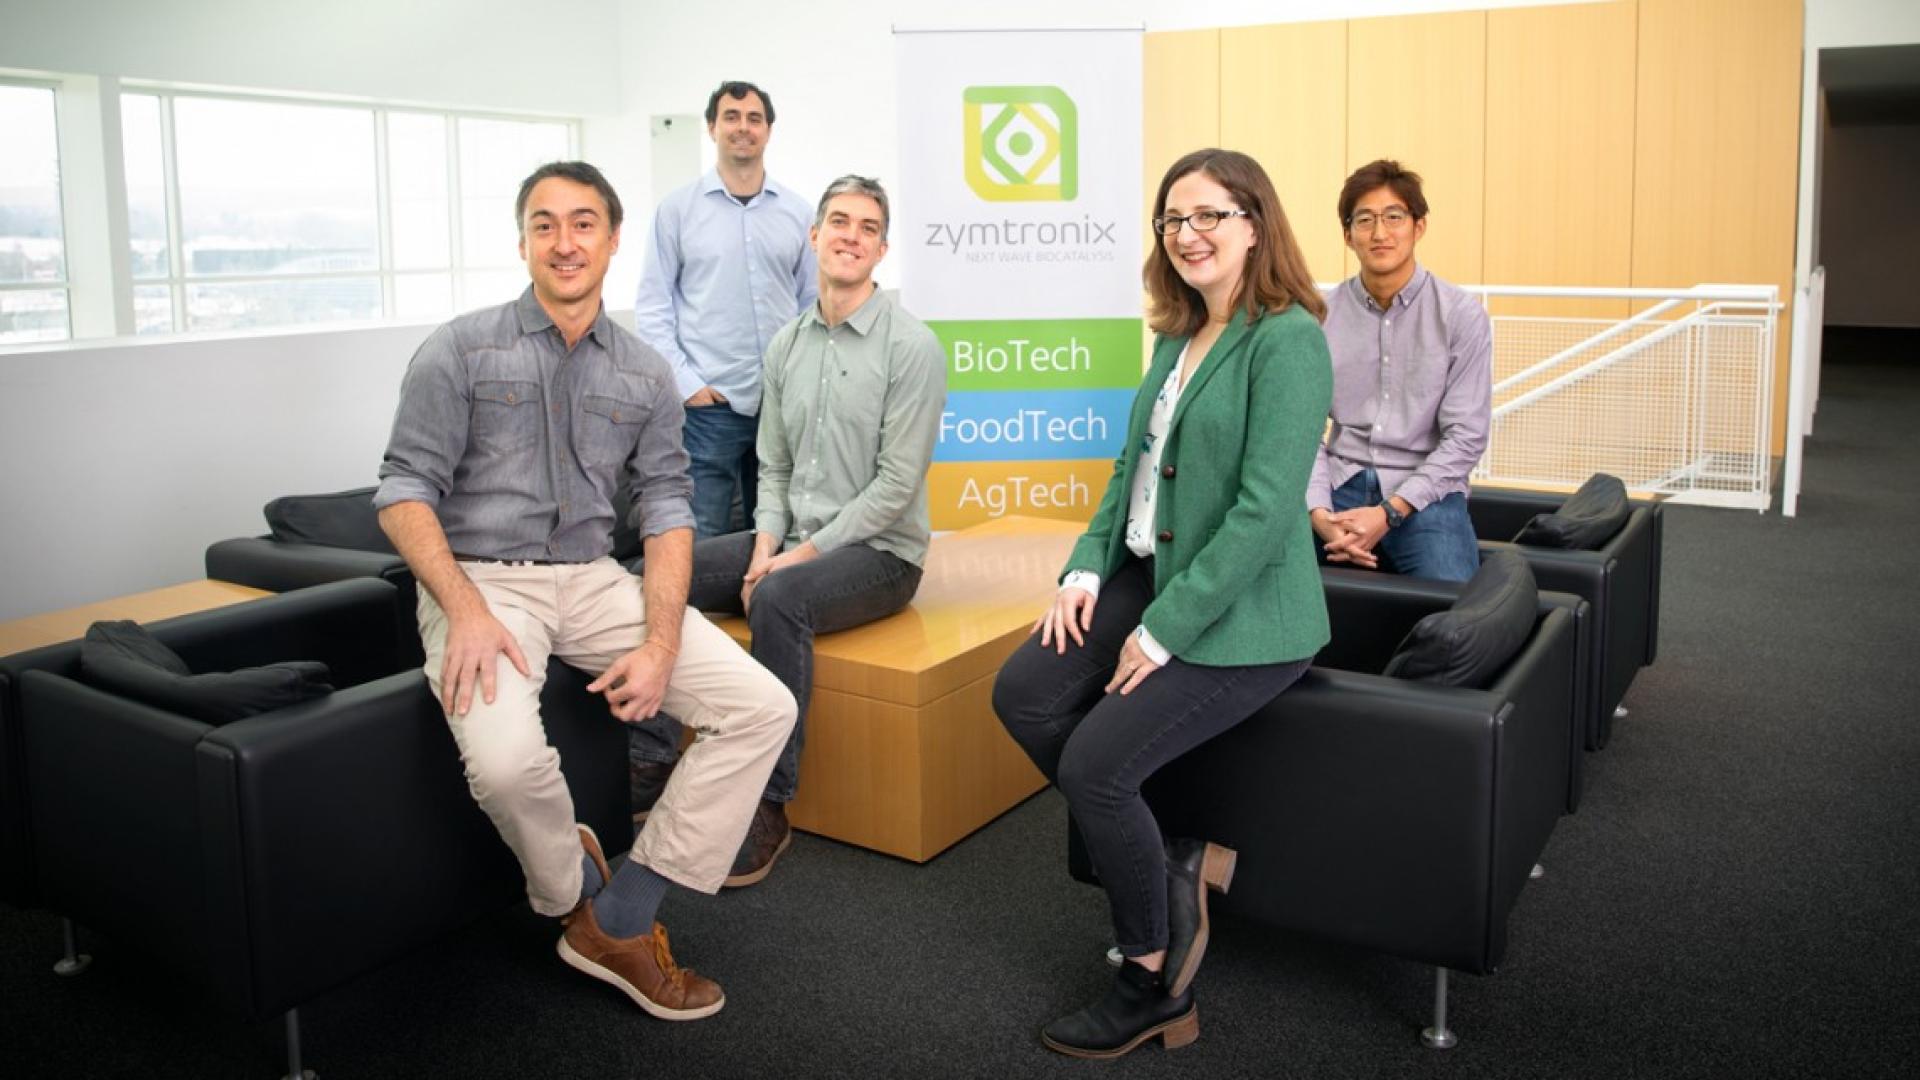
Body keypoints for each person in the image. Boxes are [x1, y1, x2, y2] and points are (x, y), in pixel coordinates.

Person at [373, 160, 797, 1022]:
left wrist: (662, 642)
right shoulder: (460, 348)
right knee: (504, 764)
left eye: (582, 223)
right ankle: (576, 894)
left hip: (595, 579)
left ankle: (624, 912)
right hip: (482, 582)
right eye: (544, 224)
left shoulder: (643, 372)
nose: (564, 243)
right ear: (523, 241)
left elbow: (669, 510)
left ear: (612, 239)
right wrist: (464, 611)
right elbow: (402, 492)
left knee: (762, 707)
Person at [991, 148, 1332, 1059]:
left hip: (1245, 613)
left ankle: (1151, 978)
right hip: (1151, 572)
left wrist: (1162, 631)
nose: (1187, 233)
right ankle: (1173, 858)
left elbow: (1265, 512)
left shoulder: (1288, 339)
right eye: (1173, 219)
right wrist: (1084, 571)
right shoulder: (1177, 335)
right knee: (1022, 694)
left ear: (1255, 224)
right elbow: (1129, 471)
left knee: (1096, 768)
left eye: (1209, 215)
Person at [626, 175, 946, 886]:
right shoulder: (786, 345)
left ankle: (770, 800)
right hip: (792, 535)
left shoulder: (912, 346)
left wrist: (791, 561)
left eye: (868, 227)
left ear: (882, 249)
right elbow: (772, 467)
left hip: (880, 553)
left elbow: (896, 487)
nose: (851, 236)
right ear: (814, 236)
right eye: (840, 221)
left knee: (778, 598)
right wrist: (765, 546)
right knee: (652, 573)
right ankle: (650, 754)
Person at [633, 79, 817, 539]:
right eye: (731, 117)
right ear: (712, 128)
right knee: (702, 538)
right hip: (708, 406)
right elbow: (653, 306)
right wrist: (687, 384)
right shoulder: (677, 211)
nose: (743, 127)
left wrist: (802, 379)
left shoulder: (799, 213)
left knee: (780, 536)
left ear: (768, 130)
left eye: (754, 119)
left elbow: (812, 305)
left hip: (780, 403)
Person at [1307, 159, 1492, 581]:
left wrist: (1389, 512)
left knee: (1453, 602)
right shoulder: (1319, 317)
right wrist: (1318, 512)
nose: (1379, 233)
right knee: (1266, 581)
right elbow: (1303, 431)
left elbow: (1466, 437)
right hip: (1338, 484)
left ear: (1418, 226)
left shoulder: (1461, 316)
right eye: (1365, 220)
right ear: (1348, 235)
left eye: (1394, 217)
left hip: (1425, 492)